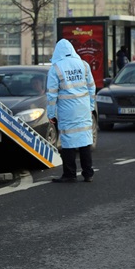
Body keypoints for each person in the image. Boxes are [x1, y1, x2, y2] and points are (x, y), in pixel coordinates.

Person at [46, 39, 96, 183]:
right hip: (84, 107)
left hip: (67, 109)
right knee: (85, 139)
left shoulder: (56, 68)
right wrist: (91, 106)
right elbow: (91, 88)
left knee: (68, 141)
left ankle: (70, 174)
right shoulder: (84, 65)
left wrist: (51, 113)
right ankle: (88, 173)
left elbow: (51, 94)